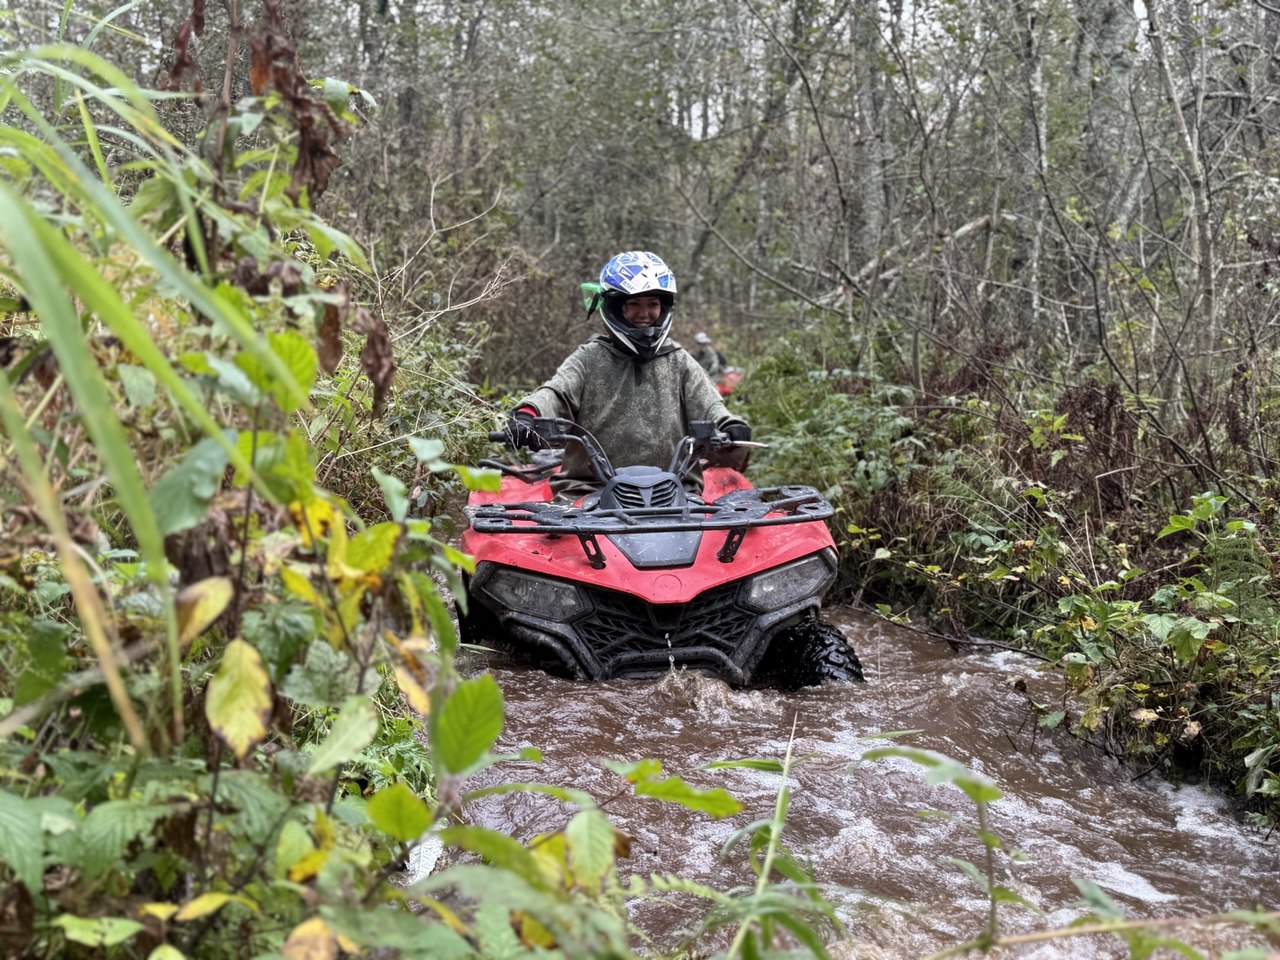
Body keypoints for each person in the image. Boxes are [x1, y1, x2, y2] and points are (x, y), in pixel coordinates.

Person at [505, 251, 750, 497]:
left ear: (664, 307)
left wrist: (729, 424)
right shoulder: (590, 358)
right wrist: (528, 413)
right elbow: (557, 392)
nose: (644, 313)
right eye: (634, 304)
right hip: (589, 491)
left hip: (674, 491)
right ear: (615, 307)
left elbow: (709, 404)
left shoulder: (678, 360)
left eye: (652, 304)